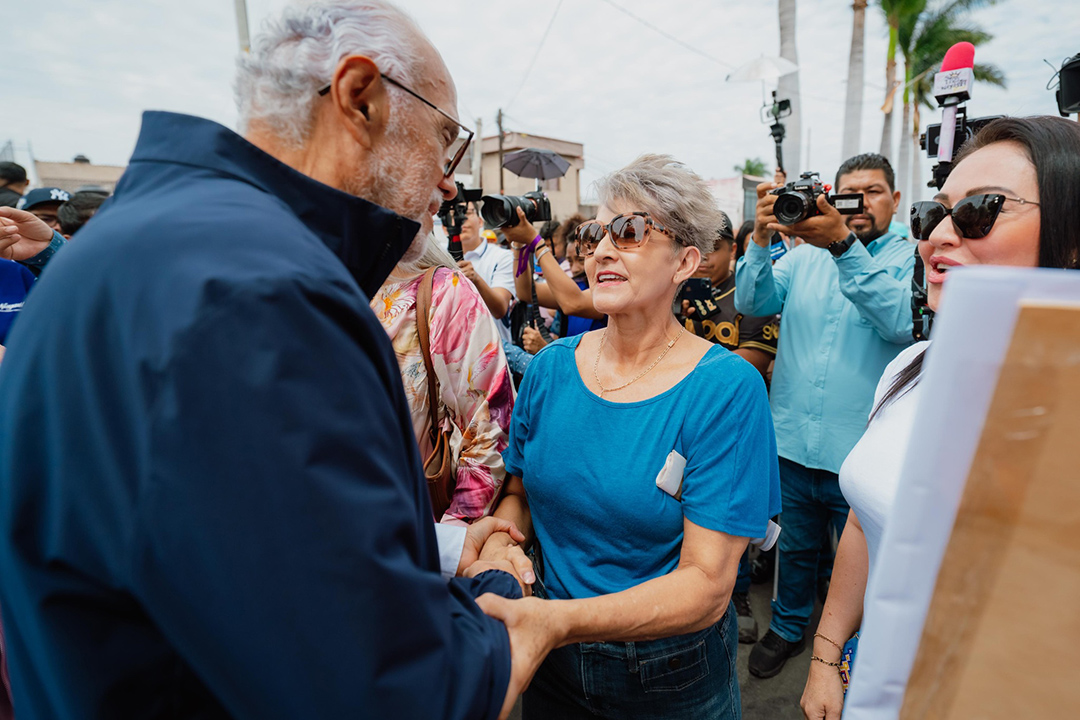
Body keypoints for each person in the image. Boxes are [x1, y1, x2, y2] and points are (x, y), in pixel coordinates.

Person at [0, 3, 555, 718]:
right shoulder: (262, 294)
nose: (449, 185)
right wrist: (504, 607)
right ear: (360, 98)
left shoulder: (149, 249)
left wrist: (445, 555)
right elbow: (390, 688)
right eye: (444, 141)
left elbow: (245, 562)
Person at [476, 154, 782, 719]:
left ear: (685, 261)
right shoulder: (550, 369)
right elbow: (518, 492)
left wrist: (558, 622)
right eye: (594, 234)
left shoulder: (725, 390)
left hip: (668, 675)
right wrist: (502, 543)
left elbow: (707, 585)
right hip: (547, 658)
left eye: (630, 231)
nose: (601, 251)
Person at [800, 115, 1080, 720]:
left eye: (981, 210)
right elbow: (865, 523)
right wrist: (826, 655)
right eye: (932, 215)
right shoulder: (912, 365)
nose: (938, 238)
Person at [736, 153, 915, 678]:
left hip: (862, 450)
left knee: (863, 560)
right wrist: (760, 238)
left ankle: (849, 650)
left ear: (895, 200)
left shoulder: (910, 256)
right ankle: (789, 627)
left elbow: (900, 322)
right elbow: (753, 301)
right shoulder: (802, 256)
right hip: (793, 440)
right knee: (794, 547)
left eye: (872, 192)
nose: (858, 205)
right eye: (848, 194)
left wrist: (842, 245)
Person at [371, 232, 515, 524]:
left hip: (415, 530)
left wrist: (454, 533)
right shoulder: (317, 289)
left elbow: (490, 426)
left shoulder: (444, 291)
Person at [457, 200, 516, 336]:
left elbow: (500, 309)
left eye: (467, 213)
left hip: (493, 343)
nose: (461, 219)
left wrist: (476, 279)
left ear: (480, 221)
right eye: (454, 214)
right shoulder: (440, 256)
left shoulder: (502, 256)